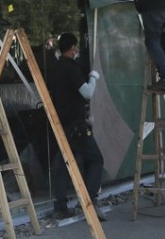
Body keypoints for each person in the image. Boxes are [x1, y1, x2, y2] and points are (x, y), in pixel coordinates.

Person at [47, 32, 105, 220]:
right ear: (73, 49)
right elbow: (87, 93)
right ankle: (89, 200)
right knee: (96, 159)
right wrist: (93, 77)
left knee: (63, 164)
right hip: (77, 126)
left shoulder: (55, 68)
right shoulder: (71, 69)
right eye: (76, 48)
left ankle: (60, 207)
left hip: (61, 124)